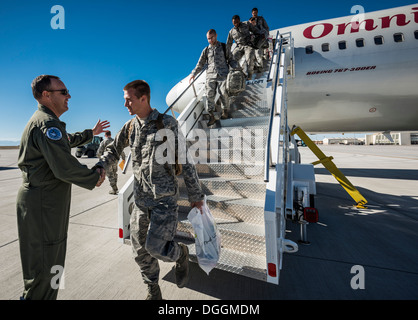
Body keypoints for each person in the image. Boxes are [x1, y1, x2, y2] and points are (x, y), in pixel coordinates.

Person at [99, 80, 204, 300]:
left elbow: (185, 160)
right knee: (140, 251)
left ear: (143, 98)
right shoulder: (129, 127)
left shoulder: (166, 124)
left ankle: (180, 253)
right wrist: (99, 167)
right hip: (140, 201)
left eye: (128, 100)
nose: (125, 104)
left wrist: (195, 195)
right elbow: (113, 151)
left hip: (164, 200)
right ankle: (153, 290)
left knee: (156, 247)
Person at [16, 74, 110, 300]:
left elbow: (65, 140)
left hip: (47, 203)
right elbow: (64, 167)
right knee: (45, 266)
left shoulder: (49, 123)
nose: (69, 96)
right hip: (43, 204)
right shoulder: (46, 123)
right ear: (46, 95)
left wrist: (90, 134)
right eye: (64, 91)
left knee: (52, 261)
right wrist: (93, 176)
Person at [189, 29, 239, 126]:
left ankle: (225, 111)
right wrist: (193, 74)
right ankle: (212, 116)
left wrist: (236, 68)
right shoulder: (206, 50)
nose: (210, 40)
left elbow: (231, 60)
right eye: (208, 39)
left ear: (216, 35)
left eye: (212, 38)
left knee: (223, 93)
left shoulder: (224, 47)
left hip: (222, 74)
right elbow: (200, 64)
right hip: (210, 76)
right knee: (209, 96)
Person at [226, 15, 261, 80]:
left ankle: (250, 75)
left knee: (249, 58)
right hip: (239, 46)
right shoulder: (231, 31)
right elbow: (228, 44)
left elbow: (255, 30)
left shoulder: (246, 24)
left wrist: (259, 37)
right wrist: (227, 54)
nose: (235, 24)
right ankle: (241, 73)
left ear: (239, 20)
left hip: (248, 45)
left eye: (236, 22)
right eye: (234, 23)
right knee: (232, 60)